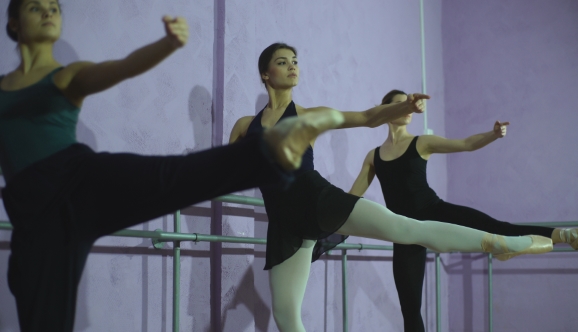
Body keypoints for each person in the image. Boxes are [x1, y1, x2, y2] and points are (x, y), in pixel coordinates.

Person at [0, 1, 345, 331]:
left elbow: (121, 67)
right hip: (35, 216)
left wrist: (166, 44)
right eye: (35, 7)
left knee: (169, 176)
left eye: (55, 7)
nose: (48, 11)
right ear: (14, 22)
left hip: (78, 180)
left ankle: (269, 149)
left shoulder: (65, 76)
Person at [229, 43, 553, 332]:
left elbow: (369, 117)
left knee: (409, 229)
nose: (292, 66)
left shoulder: (307, 116)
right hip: (285, 223)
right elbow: (229, 170)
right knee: (286, 317)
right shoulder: (245, 126)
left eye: (295, 60)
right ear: (265, 75)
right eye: (283, 62)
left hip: (319, 201)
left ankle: (506, 242)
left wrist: (405, 107)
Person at [349, 89, 578, 332]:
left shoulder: (421, 142)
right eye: (401, 104)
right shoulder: (374, 157)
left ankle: (566, 235)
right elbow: (351, 200)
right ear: (387, 109)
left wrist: (493, 134)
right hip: (403, 234)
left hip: (435, 211)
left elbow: (465, 144)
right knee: (410, 311)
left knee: (499, 229)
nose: (409, 109)